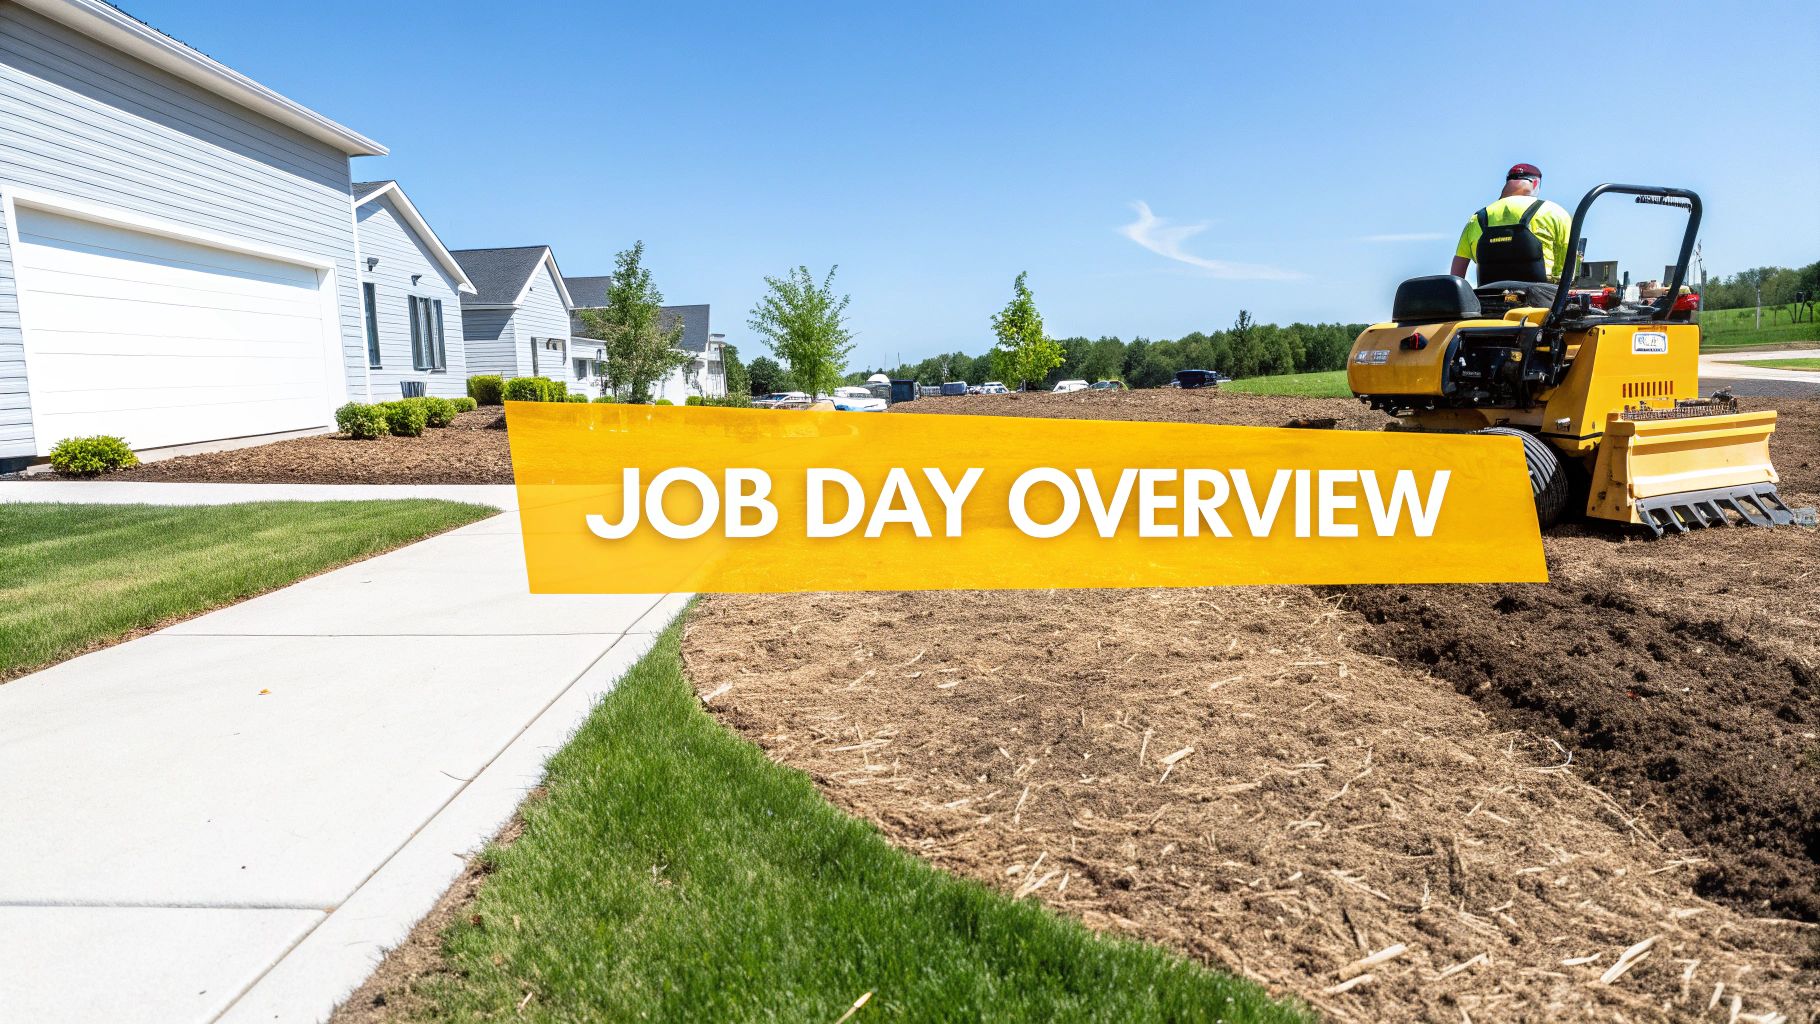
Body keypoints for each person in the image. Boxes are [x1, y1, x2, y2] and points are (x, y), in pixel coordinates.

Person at [1451, 164, 1573, 298]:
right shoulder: (1554, 212)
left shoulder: (1477, 219)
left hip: (1488, 303)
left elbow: (1457, 272)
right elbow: (1568, 266)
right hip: (1542, 302)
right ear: (1536, 183)